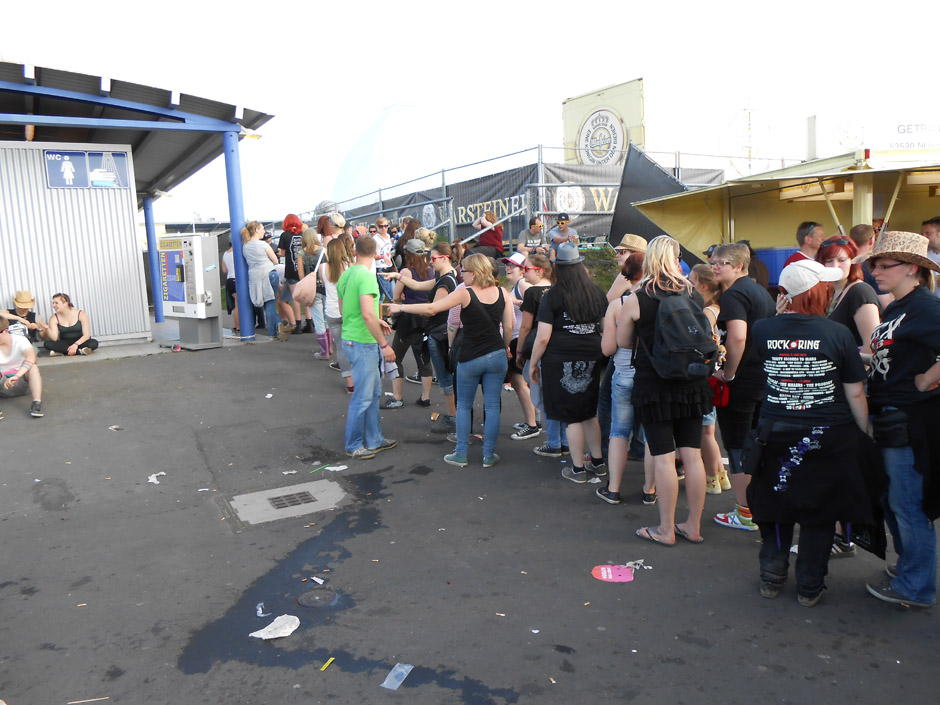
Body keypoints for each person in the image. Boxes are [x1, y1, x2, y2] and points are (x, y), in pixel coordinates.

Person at [747, 259, 871, 607]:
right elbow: (855, 392)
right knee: (820, 512)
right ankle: (809, 586)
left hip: (775, 433)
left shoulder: (763, 329)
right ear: (817, 292)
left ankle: (771, 577)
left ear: (784, 295)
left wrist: (776, 315)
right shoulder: (837, 333)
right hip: (828, 436)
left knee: (774, 507)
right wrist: (864, 435)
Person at [616, 235, 710, 545]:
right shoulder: (693, 294)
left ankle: (666, 529)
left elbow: (622, 342)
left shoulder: (638, 297)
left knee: (663, 457)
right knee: (692, 456)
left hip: (655, 383)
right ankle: (693, 526)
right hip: (692, 383)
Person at [864, 231, 940, 608]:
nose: (875, 271)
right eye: (874, 264)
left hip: (910, 419)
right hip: (892, 416)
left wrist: (929, 377)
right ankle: (911, 568)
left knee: (909, 505)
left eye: (884, 265)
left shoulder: (925, 306)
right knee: (896, 501)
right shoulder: (899, 306)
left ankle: (917, 587)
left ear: (912, 268)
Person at [390, 253, 513, 468]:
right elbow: (509, 327)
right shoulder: (503, 292)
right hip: (497, 356)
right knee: (492, 406)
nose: (460, 273)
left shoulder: (465, 294)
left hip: (470, 356)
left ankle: (461, 453)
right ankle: (488, 455)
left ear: (474, 273)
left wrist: (401, 307)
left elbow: (432, 309)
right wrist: (505, 346)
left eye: (463, 270)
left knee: (464, 406)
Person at [710, 242, 776, 531]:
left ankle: (745, 512)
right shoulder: (760, 290)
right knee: (755, 444)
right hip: (763, 378)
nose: (715, 266)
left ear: (738, 266)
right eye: (713, 261)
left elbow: (737, 337)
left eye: (721, 262)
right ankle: (757, 506)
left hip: (744, 381)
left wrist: (728, 373)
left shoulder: (735, 293)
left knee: (737, 446)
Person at [529, 242, 608, 482]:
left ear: (558, 268)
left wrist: (533, 363)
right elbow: (604, 329)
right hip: (593, 356)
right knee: (589, 412)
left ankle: (577, 469)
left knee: (571, 416)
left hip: (560, 359)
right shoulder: (596, 292)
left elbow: (543, 337)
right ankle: (598, 462)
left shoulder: (552, 296)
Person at [337, 235, 397, 459]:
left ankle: (374, 440)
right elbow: (366, 312)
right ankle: (354, 445)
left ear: (355, 251)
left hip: (351, 338)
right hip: (364, 342)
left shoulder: (348, 274)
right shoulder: (367, 277)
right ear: (375, 253)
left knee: (371, 393)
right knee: (364, 395)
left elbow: (346, 311)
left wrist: (374, 320)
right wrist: (384, 345)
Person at [388, 241, 460, 431]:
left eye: (433, 258)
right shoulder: (445, 276)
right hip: (439, 332)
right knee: (442, 375)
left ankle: (453, 418)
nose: (429, 262)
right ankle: (453, 416)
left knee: (445, 380)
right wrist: (398, 275)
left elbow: (431, 309)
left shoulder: (445, 281)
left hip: (438, 333)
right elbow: (418, 286)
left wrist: (401, 307)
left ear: (445, 258)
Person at [595, 249, 644, 504]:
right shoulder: (662, 299)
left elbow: (608, 349)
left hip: (624, 373)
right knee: (651, 433)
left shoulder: (619, 304)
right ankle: (650, 489)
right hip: (651, 377)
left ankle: (613, 489)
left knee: (619, 431)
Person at [516, 255, 567, 457]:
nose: (523, 271)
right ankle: (563, 440)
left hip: (540, 347)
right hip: (560, 347)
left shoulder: (532, 293)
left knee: (545, 398)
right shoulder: (558, 290)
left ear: (539, 271)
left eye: (526, 268)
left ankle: (554, 441)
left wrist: (520, 352)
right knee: (558, 397)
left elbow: (526, 326)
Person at [689, 263, 730, 496]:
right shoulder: (716, 307)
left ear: (702, 285)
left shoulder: (707, 312)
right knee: (709, 431)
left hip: (707, 377)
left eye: (691, 280)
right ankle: (720, 476)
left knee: (706, 432)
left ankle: (713, 478)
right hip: (714, 375)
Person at [386, 238, 435, 408]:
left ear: (408, 254)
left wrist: (404, 296)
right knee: (423, 359)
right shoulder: (432, 271)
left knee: (395, 357)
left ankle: (397, 397)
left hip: (409, 319)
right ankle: (425, 396)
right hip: (427, 318)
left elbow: (396, 296)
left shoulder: (406, 272)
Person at [816, 235, 880, 353]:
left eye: (842, 260)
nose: (835, 266)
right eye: (829, 261)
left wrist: (852, 369)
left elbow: (872, 346)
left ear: (853, 261)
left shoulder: (860, 292)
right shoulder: (829, 291)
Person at [502, 252, 538, 439]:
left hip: (521, 338)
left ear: (522, 269)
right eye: (507, 265)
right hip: (519, 337)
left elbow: (536, 304)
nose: (508, 268)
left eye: (512, 266)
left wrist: (515, 302)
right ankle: (533, 419)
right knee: (523, 382)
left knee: (518, 382)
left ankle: (532, 424)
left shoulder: (523, 284)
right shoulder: (517, 285)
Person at [242, 221, 287, 340]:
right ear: (256, 230)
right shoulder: (263, 245)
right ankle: (273, 332)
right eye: (262, 229)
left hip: (255, 277)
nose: (264, 231)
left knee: (262, 303)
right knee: (271, 304)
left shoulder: (245, 246)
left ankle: (278, 323)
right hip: (269, 273)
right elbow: (276, 261)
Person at [321, 238, 354, 394]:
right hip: (347, 311)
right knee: (354, 344)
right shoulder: (348, 268)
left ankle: (350, 383)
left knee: (340, 347)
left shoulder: (323, 268)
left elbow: (324, 285)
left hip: (331, 312)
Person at [0, 314, 44, 418]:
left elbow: (31, 357)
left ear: (5, 331)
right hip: (2, 384)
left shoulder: (19, 340)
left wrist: (16, 376)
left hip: (20, 382)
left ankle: (36, 404)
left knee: (33, 367)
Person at [297, 229, 330, 358]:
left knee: (318, 320)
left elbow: (301, 275)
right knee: (327, 318)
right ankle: (330, 347)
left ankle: (324, 351)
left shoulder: (301, 254)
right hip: (325, 288)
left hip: (312, 290)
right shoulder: (324, 251)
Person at [277, 214, 307, 334]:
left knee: (295, 297)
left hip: (291, 269)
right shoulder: (303, 234)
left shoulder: (285, 235)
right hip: (303, 269)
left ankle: (297, 324)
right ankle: (309, 321)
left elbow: (283, 253)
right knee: (304, 297)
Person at [607, 234, 648, 302]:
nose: (617, 255)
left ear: (634, 255)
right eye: (617, 251)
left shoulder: (624, 276)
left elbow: (606, 303)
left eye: (622, 252)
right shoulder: (647, 275)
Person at [373, 217, 397, 303]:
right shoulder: (375, 238)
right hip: (381, 267)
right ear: (378, 227)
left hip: (389, 266)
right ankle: (393, 314)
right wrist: (383, 257)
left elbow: (388, 251)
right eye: (381, 226)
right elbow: (374, 256)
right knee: (391, 295)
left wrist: (391, 255)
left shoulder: (388, 236)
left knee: (381, 295)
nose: (384, 228)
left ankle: (382, 315)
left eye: (386, 226)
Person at [220, 240, 240, 334]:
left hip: (229, 280)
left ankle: (237, 326)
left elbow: (224, 270)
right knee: (239, 305)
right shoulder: (238, 252)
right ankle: (239, 326)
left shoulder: (225, 254)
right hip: (237, 279)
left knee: (236, 304)